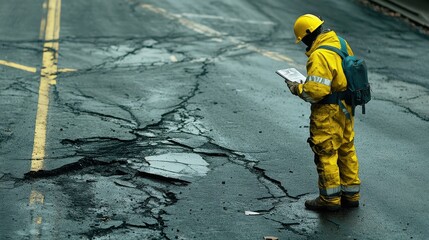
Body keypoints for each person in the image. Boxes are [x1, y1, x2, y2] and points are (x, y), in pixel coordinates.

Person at [286, 14, 361, 211]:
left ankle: (329, 200)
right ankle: (351, 195)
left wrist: (296, 88)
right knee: (346, 149)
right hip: (347, 106)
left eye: (303, 39)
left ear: (309, 34)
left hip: (328, 111)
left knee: (326, 151)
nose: (303, 44)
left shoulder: (319, 55)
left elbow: (315, 92)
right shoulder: (340, 43)